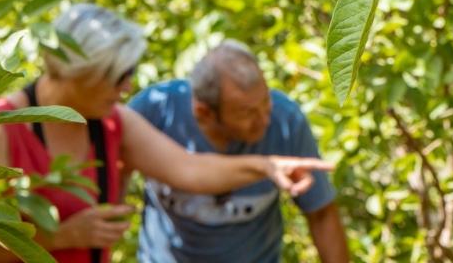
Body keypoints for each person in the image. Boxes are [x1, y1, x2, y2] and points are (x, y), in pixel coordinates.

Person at [0, 4, 334, 263]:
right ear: (83, 74)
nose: (128, 87)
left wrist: (266, 166)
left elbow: (190, 169)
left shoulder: (112, 122)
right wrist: (59, 236)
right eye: (120, 76)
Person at [129, 39, 350, 263]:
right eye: (247, 113)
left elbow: (321, 215)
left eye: (266, 101)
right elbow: (113, 172)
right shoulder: (157, 110)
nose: (264, 119)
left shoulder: (286, 121)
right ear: (204, 112)